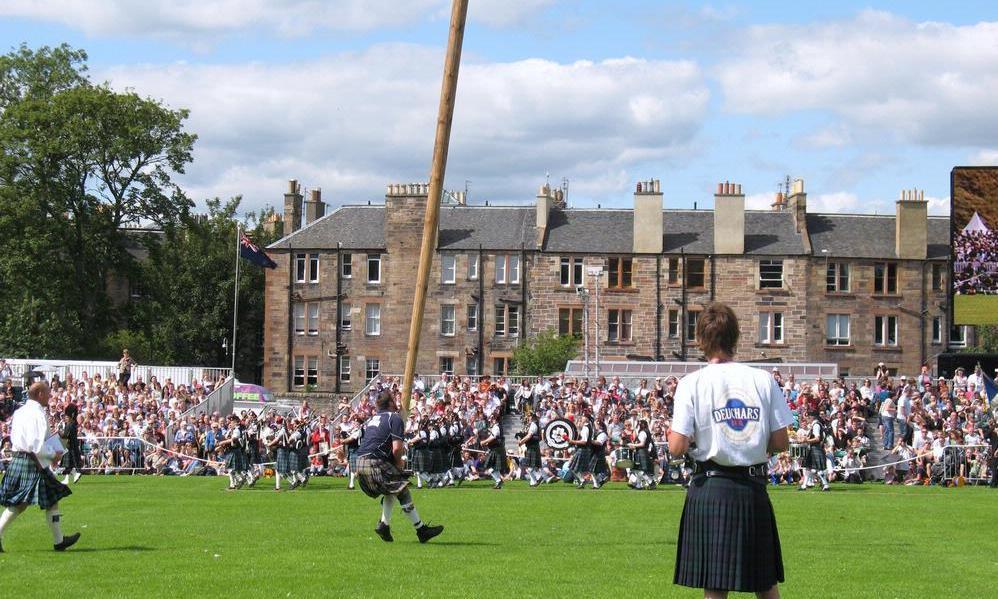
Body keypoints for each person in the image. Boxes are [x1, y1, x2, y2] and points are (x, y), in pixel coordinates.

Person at [668, 303, 792, 598]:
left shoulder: (690, 383)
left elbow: (677, 446)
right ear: (735, 337)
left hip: (710, 485)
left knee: (715, 584)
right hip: (752, 487)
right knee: (765, 583)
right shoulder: (762, 379)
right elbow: (781, 442)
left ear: (700, 339)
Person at [0, 382, 81, 552]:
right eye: (48, 393)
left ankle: (59, 541)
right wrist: (54, 454)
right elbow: (35, 445)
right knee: (21, 503)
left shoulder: (20, 412)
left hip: (21, 459)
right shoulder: (37, 414)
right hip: (32, 461)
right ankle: (59, 541)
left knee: (45, 499)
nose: (50, 397)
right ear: (39, 394)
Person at [355, 390, 443, 544]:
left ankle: (384, 525)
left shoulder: (373, 419)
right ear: (390, 403)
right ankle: (421, 530)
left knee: (393, 488)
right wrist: (398, 462)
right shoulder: (394, 419)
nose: (398, 401)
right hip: (374, 463)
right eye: (395, 400)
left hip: (359, 464)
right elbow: (397, 449)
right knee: (402, 489)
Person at [800, 412, 830, 492]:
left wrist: (807, 440)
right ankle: (804, 485)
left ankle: (826, 485)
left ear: (812, 417)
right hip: (813, 448)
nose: (807, 419)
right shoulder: (815, 425)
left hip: (816, 448)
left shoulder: (816, 425)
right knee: (808, 468)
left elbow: (817, 438)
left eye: (808, 417)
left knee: (819, 469)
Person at [480, 412, 508, 489]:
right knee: (492, 468)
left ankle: (498, 481)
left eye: (492, 418)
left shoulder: (496, 427)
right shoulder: (496, 426)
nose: (490, 420)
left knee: (489, 467)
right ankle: (499, 481)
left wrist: (484, 442)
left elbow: (493, 437)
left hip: (497, 450)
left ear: (495, 419)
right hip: (496, 449)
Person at [59, 404, 83, 485]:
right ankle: (68, 478)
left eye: (66, 416)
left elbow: (65, 435)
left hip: (70, 447)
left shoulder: (70, 425)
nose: (65, 418)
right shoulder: (71, 424)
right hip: (70, 446)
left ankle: (77, 473)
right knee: (68, 465)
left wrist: (59, 431)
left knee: (68, 464)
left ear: (71, 416)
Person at [518, 412, 543, 487]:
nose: (528, 417)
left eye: (529, 416)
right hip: (532, 446)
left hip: (532, 447)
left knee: (529, 467)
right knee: (529, 468)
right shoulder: (536, 424)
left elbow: (529, 436)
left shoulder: (533, 425)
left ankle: (539, 477)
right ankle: (533, 482)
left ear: (532, 417)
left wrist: (521, 442)